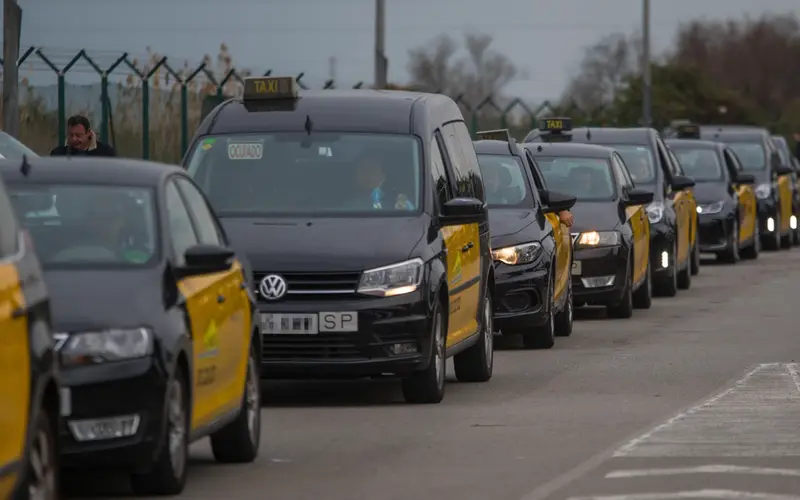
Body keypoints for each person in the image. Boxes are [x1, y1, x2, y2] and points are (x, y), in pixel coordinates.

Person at [50, 115, 117, 157]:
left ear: (88, 133)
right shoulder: (58, 154)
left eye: (78, 135)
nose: (73, 139)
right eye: (71, 135)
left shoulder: (106, 153)